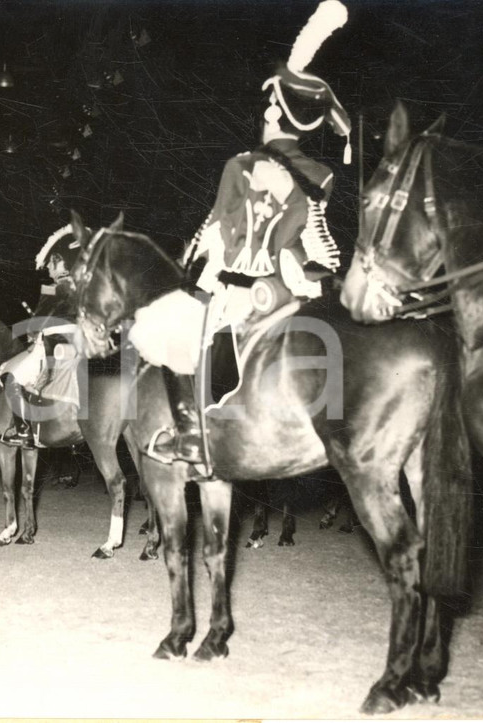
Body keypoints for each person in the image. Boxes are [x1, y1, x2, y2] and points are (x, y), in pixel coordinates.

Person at [138, 0, 352, 463]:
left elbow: (218, 231)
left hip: (241, 289)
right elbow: (319, 242)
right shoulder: (320, 175)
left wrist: (192, 278)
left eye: (269, 106)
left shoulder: (240, 165)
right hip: (294, 288)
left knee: (166, 331)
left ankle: (192, 436)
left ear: (275, 113)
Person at [0, 222, 84, 449]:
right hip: (81, 344)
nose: (48, 268)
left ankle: (23, 430)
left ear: (61, 262)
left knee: (10, 377)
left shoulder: (53, 289)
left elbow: (38, 325)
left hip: (51, 344)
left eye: (51, 263)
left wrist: (32, 331)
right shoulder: (84, 287)